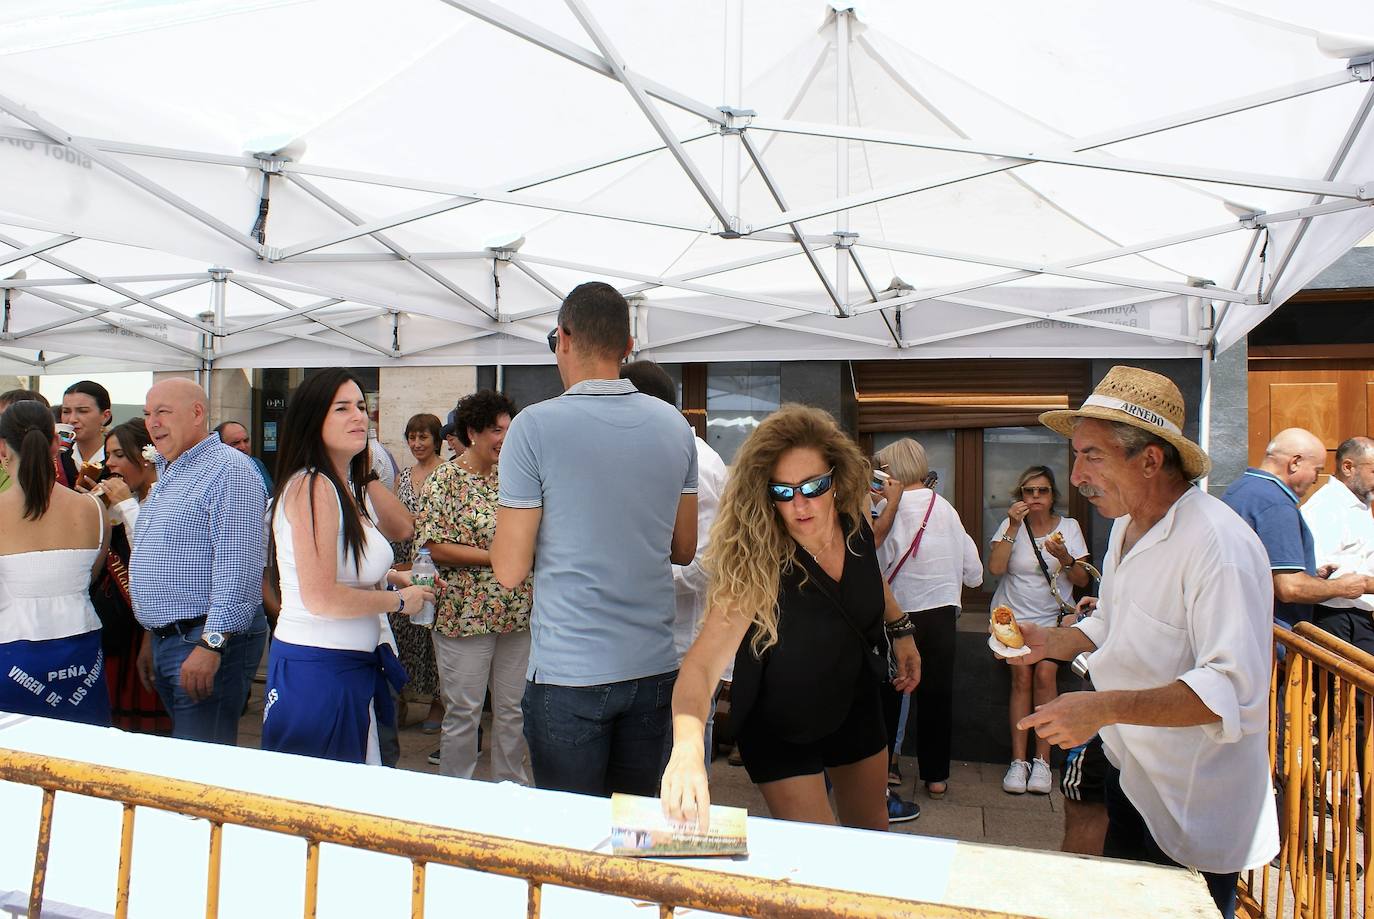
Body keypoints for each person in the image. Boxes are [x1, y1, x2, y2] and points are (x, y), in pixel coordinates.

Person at [1017, 365, 1278, 918]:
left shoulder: (1218, 545)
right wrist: (1049, 641)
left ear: (1151, 459)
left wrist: (1102, 707)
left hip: (1193, 803)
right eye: (1077, 454)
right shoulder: (1126, 526)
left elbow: (1229, 691)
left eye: (1092, 455)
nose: (1077, 473)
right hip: (1131, 776)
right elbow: (1110, 626)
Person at [660, 405, 920, 831]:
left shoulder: (853, 525)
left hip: (854, 700)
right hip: (780, 722)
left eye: (813, 486)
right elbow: (702, 665)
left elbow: (869, 579)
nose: (800, 505)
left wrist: (901, 628)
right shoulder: (757, 562)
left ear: (836, 479)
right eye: (782, 492)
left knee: (873, 841)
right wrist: (687, 747)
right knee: (822, 858)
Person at [492, 281, 698, 798]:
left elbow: (509, 570)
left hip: (569, 671)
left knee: (570, 841)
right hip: (653, 666)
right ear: (628, 348)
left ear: (562, 337)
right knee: (633, 836)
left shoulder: (533, 427)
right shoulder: (674, 426)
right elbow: (683, 548)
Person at [261, 369, 433, 763]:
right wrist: (398, 601)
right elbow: (321, 596)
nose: (358, 416)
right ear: (312, 419)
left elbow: (340, 564)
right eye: (342, 408)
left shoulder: (342, 485)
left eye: (360, 405)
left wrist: (390, 575)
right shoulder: (313, 486)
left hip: (349, 666)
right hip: (322, 670)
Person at [130, 378, 270, 745]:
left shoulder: (230, 470)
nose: (153, 422)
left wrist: (211, 645)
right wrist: (152, 635)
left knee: (201, 762)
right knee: (189, 756)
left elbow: (240, 567)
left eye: (163, 412)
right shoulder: (171, 469)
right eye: (148, 414)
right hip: (172, 638)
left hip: (203, 640)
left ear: (197, 414)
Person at [619, 360, 730, 764]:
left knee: (677, 761)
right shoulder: (665, 452)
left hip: (684, 645)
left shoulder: (696, 464)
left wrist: (627, 575)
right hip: (659, 640)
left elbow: (702, 565)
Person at [418, 391, 533, 782]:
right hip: (463, 613)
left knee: (513, 708)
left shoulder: (517, 476)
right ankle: (456, 796)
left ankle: (512, 790)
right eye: (496, 430)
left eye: (509, 429)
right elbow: (433, 546)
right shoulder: (445, 479)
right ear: (472, 432)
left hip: (517, 611)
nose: (504, 437)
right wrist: (496, 558)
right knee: (464, 710)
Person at [871, 438, 981, 801]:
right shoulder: (946, 508)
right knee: (937, 696)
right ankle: (936, 777)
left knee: (889, 692)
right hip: (942, 612)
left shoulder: (889, 509)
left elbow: (874, 558)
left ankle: (885, 769)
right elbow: (975, 573)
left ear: (890, 471)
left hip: (897, 614)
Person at [0, 400, 112, 725]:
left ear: (3, 448)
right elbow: (90, 576)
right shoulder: (93, 510)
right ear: (55, 441)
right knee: (82, 761)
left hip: (11, 653)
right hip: (81, 655)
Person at [987, 465, 1091, 795]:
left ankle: (1042, 761)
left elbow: (1083, 580)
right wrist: (1014, 526)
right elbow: (996, 568)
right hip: (1011, 618)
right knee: (1021, 677)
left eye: (1042, 491)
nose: (1035, 497)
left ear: (1052, 496)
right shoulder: (1010, 525)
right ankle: (1019, 762)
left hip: (1052, 620)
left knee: (1045, 675)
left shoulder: (1070, 528)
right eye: (1029, 491)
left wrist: (1066, 557)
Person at [1221, 427, 1365, 628]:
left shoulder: (1239, 489)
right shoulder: (1276, 504)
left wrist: (1314, 578)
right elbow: (1289, 588)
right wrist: (1341, 587)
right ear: (1295, 462)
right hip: (1267, 638)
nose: (1316, 479)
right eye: (1317, 470)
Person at [87, 419, 172, 735]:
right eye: (109, 455)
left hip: (153, 623)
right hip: (122, 619)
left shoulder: (163, 498)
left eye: (119, 454)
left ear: (147, 456)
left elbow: (152, 557)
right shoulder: (128, 499)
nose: (109, 463)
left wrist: (125, 504)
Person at [389, 412, 445, 735]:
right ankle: (402, 697)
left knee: (433, 635)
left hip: (435, 559)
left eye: (423, 437)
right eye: (412, 437)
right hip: (405, 558)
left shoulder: (447, 472)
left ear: (435, 439)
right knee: (404, 630)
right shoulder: (403, 477)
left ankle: (438, 701)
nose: (417, 443)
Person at [1301, 435, 1374, 652]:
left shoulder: (1358, 506)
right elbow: (1321, 571)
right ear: (1348, 467)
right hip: (1335, 617)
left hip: (1359, 615)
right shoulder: (1326, 508)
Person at [63, 380, 112, 478]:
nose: (72, 419)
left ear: (105, 416)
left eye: (83, 411)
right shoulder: (59, 457)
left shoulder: (117, 458)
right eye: (66, 411)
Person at [216, 420, 273, 493]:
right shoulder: (217, 470)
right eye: (235, 443)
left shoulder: (257, 464)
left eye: (246, 441)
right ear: (220, 446)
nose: (243, 447)